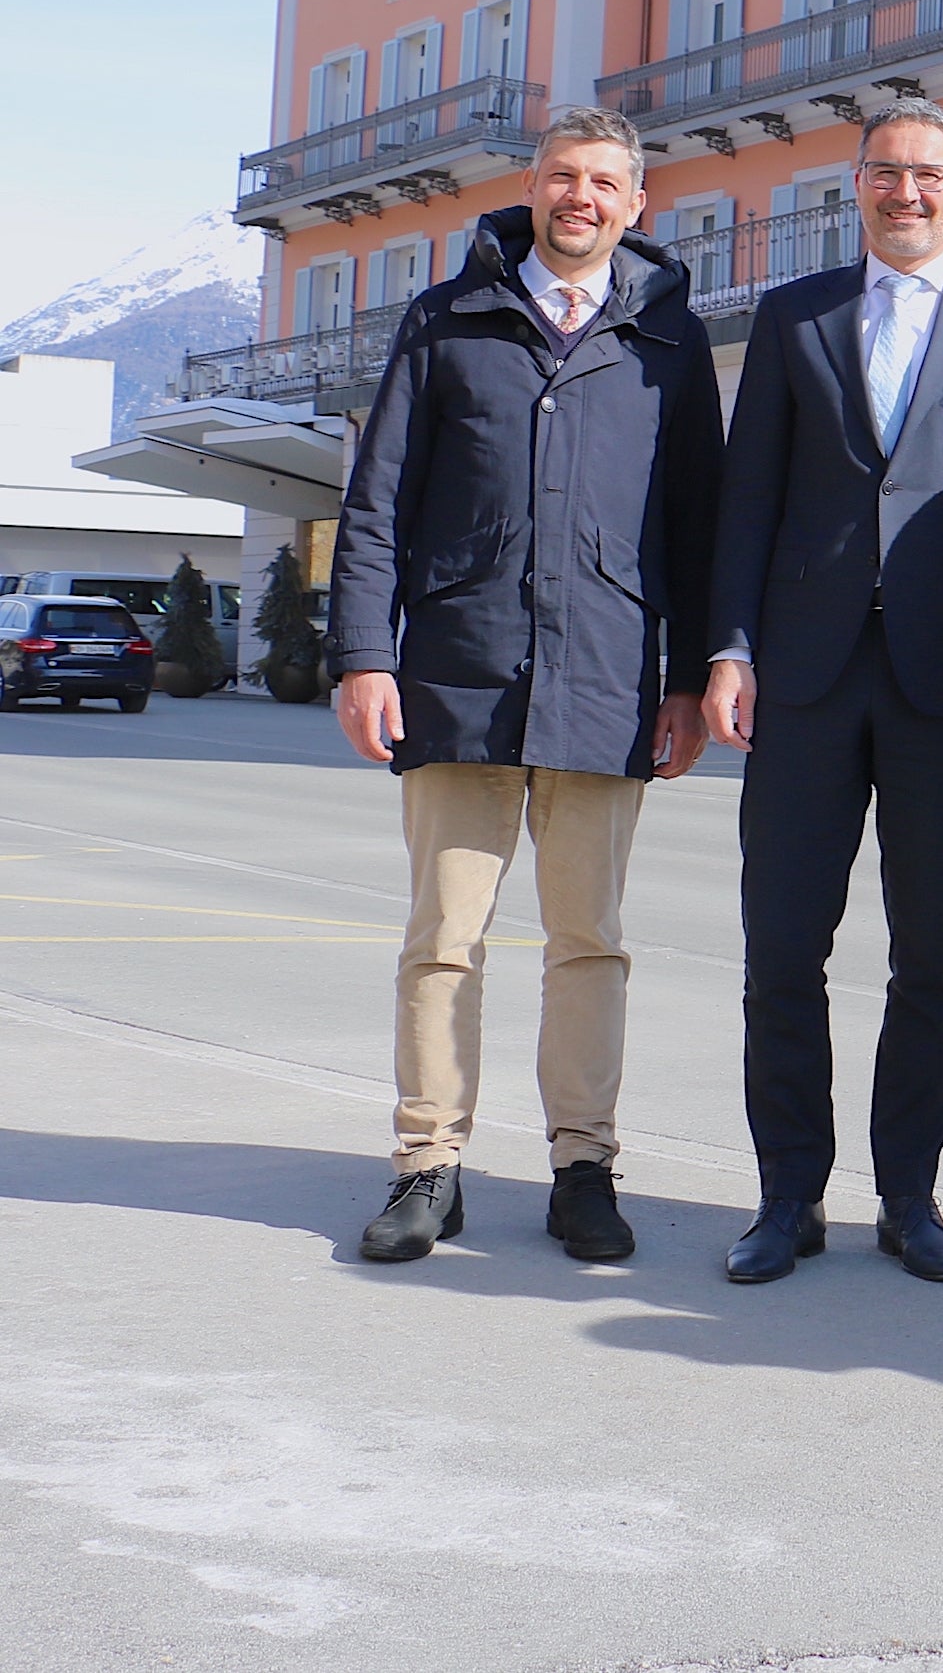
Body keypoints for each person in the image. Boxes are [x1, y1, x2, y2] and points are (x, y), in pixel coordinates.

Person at [327, 106, 723, 1266]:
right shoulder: (447, 320)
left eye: (605, 181)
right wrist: (362, 653)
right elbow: (376, 501)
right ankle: (426, 1166)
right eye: (563, 176)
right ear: (532, 188)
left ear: (636, 204)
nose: (582, 197)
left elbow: (697, 521)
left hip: (607, 683)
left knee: (586, 940)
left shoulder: (669, 338)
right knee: (442, 937)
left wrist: (691, 679)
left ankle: (582, 1166)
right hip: (458, 672)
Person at [705, 96, 943, 1286]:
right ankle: (784, 1197)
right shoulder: (792, 314)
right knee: (780, 949)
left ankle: (909, 1197)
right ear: (853, 185)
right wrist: (730, 647)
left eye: (927, 175)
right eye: (883, 173)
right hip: (801, 676)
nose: (904, 193)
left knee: (930, 955)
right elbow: (746, 496)